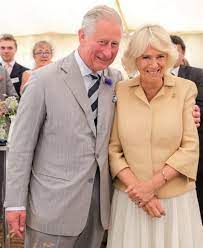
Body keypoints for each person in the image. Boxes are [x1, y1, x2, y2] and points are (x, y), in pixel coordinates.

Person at [4, 5, 123, 248]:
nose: (108, 51)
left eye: (114, 44)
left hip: (97, 212)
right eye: (101, 42)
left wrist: (187, 112)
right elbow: (20, 146)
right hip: (51, 212)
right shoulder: (43, 80)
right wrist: (15, 202)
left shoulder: (117, 80)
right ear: (81, 35)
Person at [107, 24, 203, 248]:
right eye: (145, 57)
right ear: (134, 60)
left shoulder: (186, 89)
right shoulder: (119, 90)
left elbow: (190, 147)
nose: (154, 64)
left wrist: (151, 187)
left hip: (175, 202)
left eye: (160, 56)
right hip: (131, 201)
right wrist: (142, 193)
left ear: (169, 57)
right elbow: (114, 149)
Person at [171, 34, 203, 223]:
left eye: (175, 50)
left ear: (182, 53)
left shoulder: (197, 75)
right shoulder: (151, 76)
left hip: (193, 146)